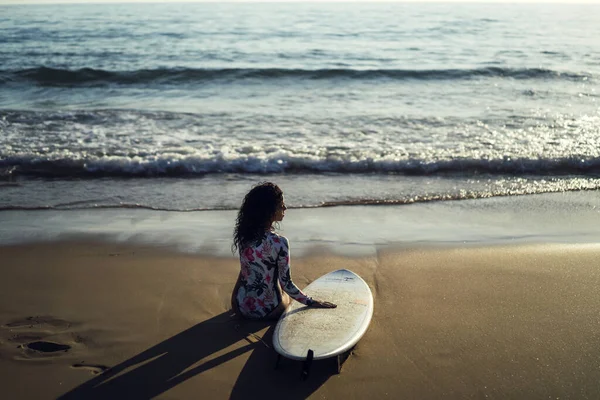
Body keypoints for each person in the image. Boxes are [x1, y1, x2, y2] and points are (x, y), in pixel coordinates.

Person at [231, 182, 336, 320]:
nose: (285, 207)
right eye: (281, 204)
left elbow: (243, 272)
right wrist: (312, 301)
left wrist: (235, 302)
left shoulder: (244, 236)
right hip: (267, 312)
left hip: (241, 306)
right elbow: (286, 284)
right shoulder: (279, 243)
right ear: (269, 210)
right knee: (286, 296)